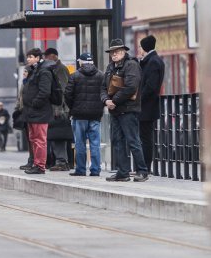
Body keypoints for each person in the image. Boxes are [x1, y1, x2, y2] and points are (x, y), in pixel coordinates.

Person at [101, 39, 149, 182]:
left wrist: (113, 101)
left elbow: (131, 87)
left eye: (116, 51)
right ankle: (123, 172)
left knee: (133, 141)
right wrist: (106, 100)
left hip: (128, 109)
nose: (113, 54)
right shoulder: (110, 67)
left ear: (124, 51)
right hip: (115, 110)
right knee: (117, 141)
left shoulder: (131, 65)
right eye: (111, 52)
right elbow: (103, 87)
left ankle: (142, 171)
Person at [64, 52, 104, 176]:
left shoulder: (74, 75)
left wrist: (73, 107)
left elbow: (68, 95)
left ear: (81, 62)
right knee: (95, 143)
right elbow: (105, 94)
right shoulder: (101, 75)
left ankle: (81, 169)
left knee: (80, 143)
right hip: (95, 115)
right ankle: (95, 170)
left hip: (79, 115)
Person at [19, 48, 53, 174]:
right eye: (27, 57)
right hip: (31, 112)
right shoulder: (34, 71)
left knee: (40, 140)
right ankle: (35, 163)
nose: (28, 59)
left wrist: (34, 104)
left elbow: (45, 92)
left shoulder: (44, 72)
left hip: (40, 112)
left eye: (31, 57)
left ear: (38, 58)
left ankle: (40, 166)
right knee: (33, 138)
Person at [138, 35, 166, 174]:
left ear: (144, 48)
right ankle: (143, 166)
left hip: (147, 107)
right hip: (147, 106)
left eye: (140, 47)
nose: (139, 49)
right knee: (145, 137)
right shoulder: (152, 60)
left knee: (145, 138)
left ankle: (145, 167)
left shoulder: (153, 62)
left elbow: (151, 86)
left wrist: (138, 98)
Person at [43, 47, 72, 171]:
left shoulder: (60, 69)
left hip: (59, 109)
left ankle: (62, 161)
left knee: (58, 136)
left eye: (47, 57)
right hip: (54, 108)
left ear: (54, 56)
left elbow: (64, 90)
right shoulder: (53, 69)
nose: (46, 60)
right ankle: (59, 161)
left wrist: (62, 108)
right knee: (55, 136)